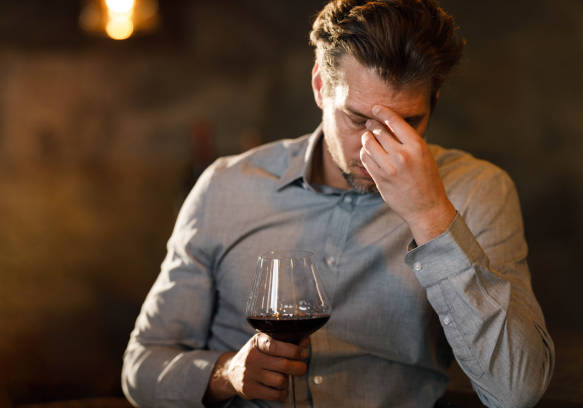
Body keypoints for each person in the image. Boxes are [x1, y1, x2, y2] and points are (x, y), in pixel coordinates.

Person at [121, 1, 555, 407]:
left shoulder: (478, 191)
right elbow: (141, 367)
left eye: (407, 123)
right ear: (319, 86)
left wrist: (429, 214)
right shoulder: (226, 186)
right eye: (358, 119)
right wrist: (225, 373)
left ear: (433, 104)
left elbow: (516, 391)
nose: (375, 145)